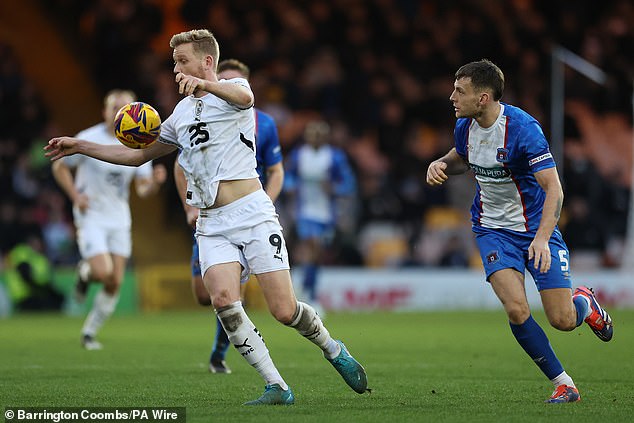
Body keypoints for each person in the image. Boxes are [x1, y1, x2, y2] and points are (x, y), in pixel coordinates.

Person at [46, 29, 368, 405]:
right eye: (174, 63)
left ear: (207, 61)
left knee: (283, 310)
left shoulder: (234, 90)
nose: (176, 69)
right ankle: (276, 386)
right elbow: (137, 156)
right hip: (212, 223)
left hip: (252, 214)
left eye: (182, 61)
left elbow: (244, 96)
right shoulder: (180, 114)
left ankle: (332, 347)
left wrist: (205, 84)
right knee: (224, 301)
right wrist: (79, 146)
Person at [426, 59, 613, 403]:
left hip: (535, 229)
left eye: (460, 90)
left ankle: (584, 304)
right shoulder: (465, 126)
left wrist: (541, 238)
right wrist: (440, 163)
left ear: (483, 98)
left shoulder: (523, 129)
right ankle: (563, 383)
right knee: (516, 309)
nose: (452, 96)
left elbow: (554, 189)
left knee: (562, 319)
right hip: (491, 229)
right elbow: (461, 157)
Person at [173, 58, 284, 374]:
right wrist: (188, 206)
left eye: (234, 83)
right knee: (202, 295)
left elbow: (276, 171)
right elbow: (179, 164)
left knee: (233, 293)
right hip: (211, 214)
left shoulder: (264, 123)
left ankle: (220, 354)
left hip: (248, 211)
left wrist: (265, 203)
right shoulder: (202, 117)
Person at [51, 89, 167, 350]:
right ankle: (85, 271)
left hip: (119, 217)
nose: (120, 111)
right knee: (103, 272)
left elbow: (142, 188)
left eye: (125, 106)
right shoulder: (88, 138)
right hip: (91, 214)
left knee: (115, 280)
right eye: (115, 106)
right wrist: (74, 196)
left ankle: (89, 333)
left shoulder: (137, 141)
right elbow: (59, 166)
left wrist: (155, 184)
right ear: (105, 111)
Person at [284, 120, 356, 314]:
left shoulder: (334, 157)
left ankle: (307, 287)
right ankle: (310, 295)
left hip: (326, 214)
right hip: (304, 211)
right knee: (312, 244)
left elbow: (348, 183)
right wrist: (290, 186)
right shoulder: (299, 155)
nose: (315, 138)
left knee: (316, 255)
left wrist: (334, 188)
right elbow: (286, 176)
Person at [4, 232, 65, 312]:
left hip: (35, 293)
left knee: (57, 299)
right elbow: (25, 275)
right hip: (23, 295)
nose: (39, 246)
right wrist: (41, 288)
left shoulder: (40, 258)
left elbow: (45, 278)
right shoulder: (21, 253)